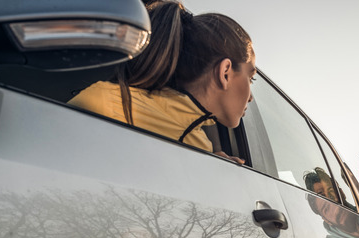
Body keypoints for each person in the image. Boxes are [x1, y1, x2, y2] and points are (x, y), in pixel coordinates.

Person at [68, 0, 252, 163]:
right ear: (225, 73)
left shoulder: (201, 144)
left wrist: (206, 165)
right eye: (251, 78)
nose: (250, 97)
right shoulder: (104, 105)